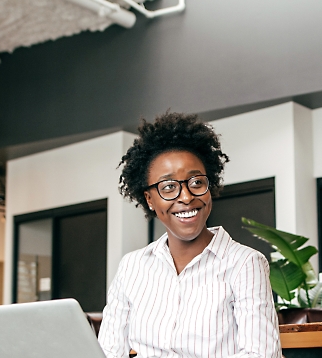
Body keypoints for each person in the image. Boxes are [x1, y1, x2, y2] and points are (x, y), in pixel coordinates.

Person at [98, 112, 282, 358]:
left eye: (196, 182)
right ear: (149, 199)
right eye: (169, 187)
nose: (186, 197)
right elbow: (108, 352)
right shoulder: (132, 266)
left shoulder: (245, 264)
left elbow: (261, 354)